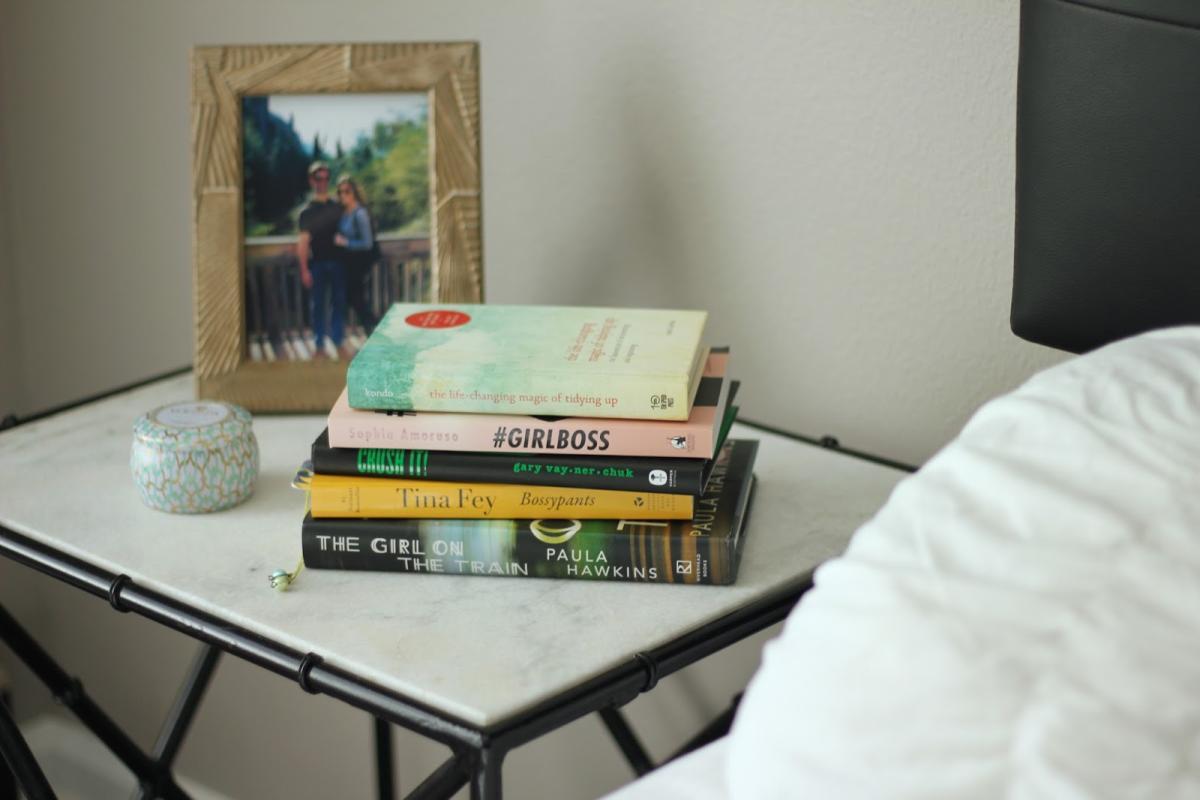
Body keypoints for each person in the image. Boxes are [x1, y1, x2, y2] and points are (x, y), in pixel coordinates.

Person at [297, 161, 348, 360]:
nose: (323, 182)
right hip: (316, 264)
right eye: (319, 178)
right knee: (318, 306)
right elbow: (303, 243)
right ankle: (319, 345)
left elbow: (349, 231)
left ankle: (338, 341)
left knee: (338, 304)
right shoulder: (306, 212)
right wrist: (304, 270)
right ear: (312, 181)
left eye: (326, 178)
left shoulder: (337, 207)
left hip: (339, 263)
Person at [334, 175, 380, 338]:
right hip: (348, 264)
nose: (343, 195)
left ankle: (375, 330)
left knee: (356, 299)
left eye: (347, 191)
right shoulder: (345, 212)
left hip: (358, 264)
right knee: (354, 299)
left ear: (354, 192)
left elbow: (367, 243)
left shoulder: (360, 213)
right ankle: (372, 330)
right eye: (340, 192)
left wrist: (345, 242)